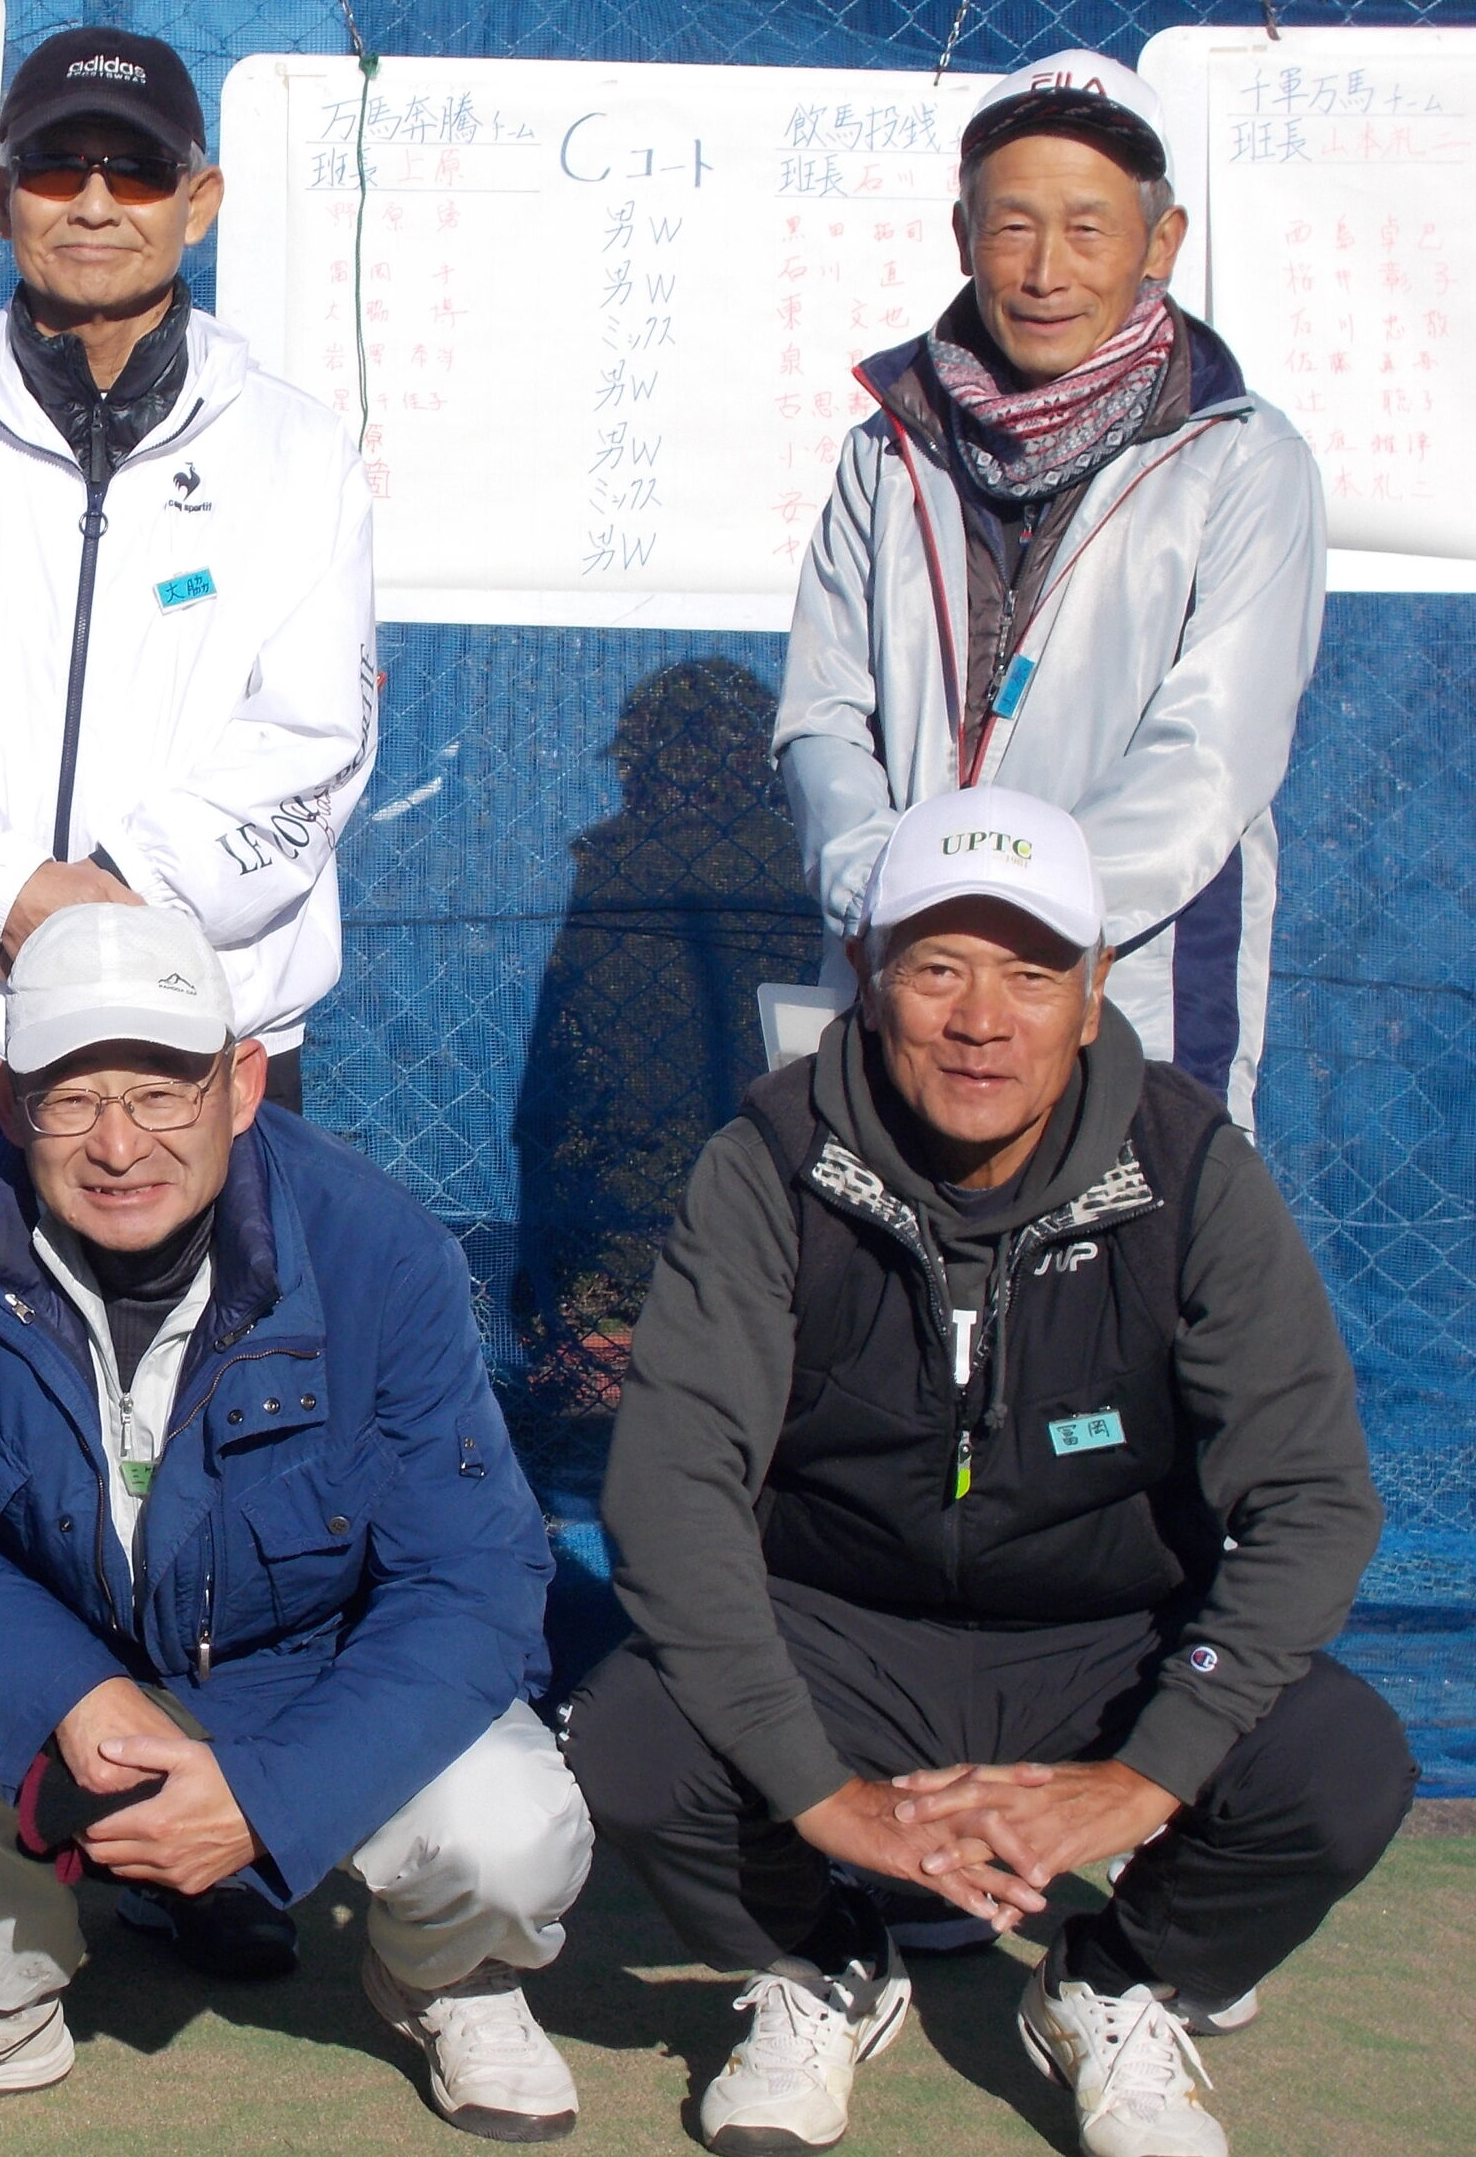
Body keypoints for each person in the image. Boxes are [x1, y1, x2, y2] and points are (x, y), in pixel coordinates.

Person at [564, 788, 1411, 2157]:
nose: (981, 1019)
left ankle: (1114, 1979)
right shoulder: (768, 1162)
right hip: (836, 1631)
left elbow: (1312, 1500)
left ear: (1094, 990)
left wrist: (1145, 1777)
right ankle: (825, 1957)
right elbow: (673, 1495)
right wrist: (824, 1797)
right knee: (630, 1738)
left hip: (1107, 1636)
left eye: (1030, 973)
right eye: (938, 968)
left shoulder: (1194, 1172)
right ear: (868, 973)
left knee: (1341, 1762)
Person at [0, 903, 591, 2142]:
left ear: (242, 1084)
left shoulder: (383, 1250)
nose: (119, 1145)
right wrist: (65, 1690)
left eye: (162, 1091)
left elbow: (476, 1584)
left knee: (513, 1826)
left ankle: (450, 1982)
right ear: (4, 1100)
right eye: (70, 1099)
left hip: (307, 1686)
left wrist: (269, 1795)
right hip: (62, 1680)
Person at [0, 27, 376, 1308]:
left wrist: (121, 911)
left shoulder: (299, 455)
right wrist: (13, 899)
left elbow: (314, 737)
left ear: (200, 200)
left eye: (139, 169)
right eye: (59, 166)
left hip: (202, 1042)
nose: (98, 202)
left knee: (213, 1409)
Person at [776, 50, 1325, 1131]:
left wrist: (1019, 933)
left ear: (1160, 243)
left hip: (1130, 982)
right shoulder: (886, 453)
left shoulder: (1243, 461)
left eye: (1087, 229)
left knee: (1138, 1229)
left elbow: (1211, 757)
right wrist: (891, 904)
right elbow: (822, 719)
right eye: (1013, 226)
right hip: (912, 988)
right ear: (962, 235)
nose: (1044, 272)